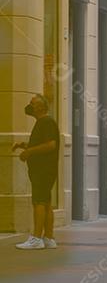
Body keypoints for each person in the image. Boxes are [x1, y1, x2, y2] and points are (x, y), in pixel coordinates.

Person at [13, 94, 59, 250]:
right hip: (44, 169)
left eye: (32, 103)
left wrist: (29, 152)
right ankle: (49, 238)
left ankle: (36, 238)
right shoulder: (43, 122)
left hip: (43, 170)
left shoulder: (46, 122)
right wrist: (25, 145)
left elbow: (51, 145)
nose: (29, 106)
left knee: (38, 202)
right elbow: (42, 144)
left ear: (40, 106)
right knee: (45, 202)